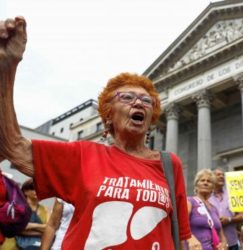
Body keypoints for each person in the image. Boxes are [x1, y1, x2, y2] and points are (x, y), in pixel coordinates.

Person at [0, 17, 193, 249]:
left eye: (146, 100)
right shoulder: (83, 155)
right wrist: (7, 67)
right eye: (128, 98)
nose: (139, 103)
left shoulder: (170, 165)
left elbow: (179, 237)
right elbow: (12, 145)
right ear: (108, 116)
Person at [187, 169, 228, 250]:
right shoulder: (189, 201)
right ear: (196, 185)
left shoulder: (214, 209)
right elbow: (181, 225)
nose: (205, 183)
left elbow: (222, 235)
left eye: (209, 181)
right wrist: (190, 238)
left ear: (213, 187)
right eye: (202, 180)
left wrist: (224, 244)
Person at [209, 168, 243, 250]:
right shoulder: (206, 196)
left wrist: (229, 219)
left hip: (232, 243)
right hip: (212, 244)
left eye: (223, 175)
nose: (221, 176)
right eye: (218, 175)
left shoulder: (233, 195)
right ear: (211, 178)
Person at [16, 179, 48, 250]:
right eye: (33, 189)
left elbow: (49, 229)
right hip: (19, 245)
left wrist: (29, 225)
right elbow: (18, 229)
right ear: (25, 191)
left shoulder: (45, 209)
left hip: (40, 245)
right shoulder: (19, 207)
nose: (37, 191)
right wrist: (41, 229)